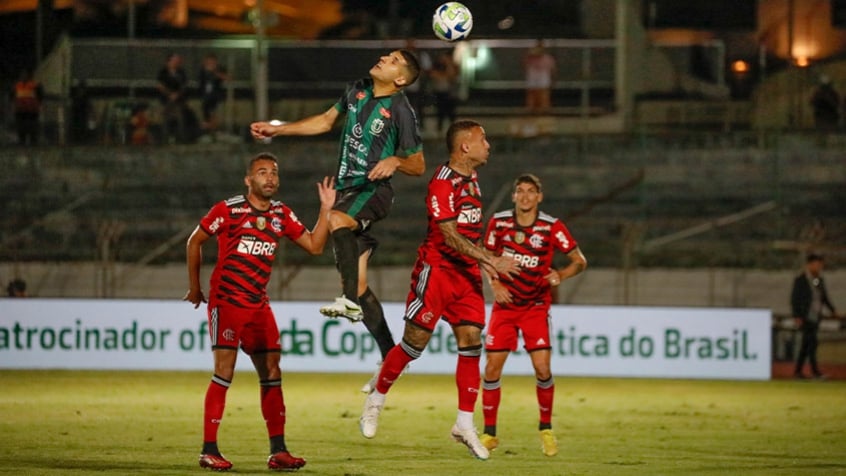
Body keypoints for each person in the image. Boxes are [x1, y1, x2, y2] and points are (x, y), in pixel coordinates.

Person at [250, 50, 425, 393]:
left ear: (400, 79)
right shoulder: (356, 89)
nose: (382, 59)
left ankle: (346, 301)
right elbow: (325, 122)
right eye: (385, 55)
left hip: (372, 190)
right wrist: (278, 129)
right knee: (359, 284)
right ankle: (390, 354)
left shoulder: (401, 108)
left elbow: (417, 164)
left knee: (336, 219)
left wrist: (395, 161)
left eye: (391, 61)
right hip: (347, 189)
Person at [357, 120, 520, 461]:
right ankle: (377, 397)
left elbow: (470, 233)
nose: (488, 145)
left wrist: (486, 266)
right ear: (464, 146)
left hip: (466, 276)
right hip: (437, 272)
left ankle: (463, 423)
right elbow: (448, 234)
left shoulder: (473, 179)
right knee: (414, 345)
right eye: (482, 139)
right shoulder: (442, 183)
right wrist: (490, 257)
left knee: (472, 342)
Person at [184, 152, 336, 471]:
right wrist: (196, 288)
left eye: (274, 173)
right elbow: (194, 241)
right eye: (262, 172)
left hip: (258, 305)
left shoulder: (281, 213)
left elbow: (315, 246)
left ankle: (278, 451)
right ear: (248, 180)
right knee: (224, 370)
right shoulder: (229, 210)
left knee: (272, 371)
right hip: (227, 301)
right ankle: (208, 449)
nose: (270, 178)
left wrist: (325, 209)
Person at [479, 173, 587, 457]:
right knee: (491, 368)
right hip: (504, 308)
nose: (525, 196)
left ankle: (546, 429)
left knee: (542, 369)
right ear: (514, 196)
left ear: (539, 197)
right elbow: (485, 257)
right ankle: (489, 434)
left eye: (531, 192)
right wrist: (495, 283)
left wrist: (560, 274)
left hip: (535, 307)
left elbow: (580, 261)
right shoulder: (499, 223)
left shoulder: (552, 227)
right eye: (520, 191)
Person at [791, 253, 838, 380]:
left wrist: (833, 310)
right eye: (817, 264)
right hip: (805, 317)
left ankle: (798, 372)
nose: (819, 267)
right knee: (812, 343)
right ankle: (815, 372)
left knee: (806, 345)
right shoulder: (801, 279)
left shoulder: (819, 280)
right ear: (810, 264)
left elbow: (824, 297)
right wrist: (797, 316)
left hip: (815, 316)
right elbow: (795, 299)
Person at [157, 52, 188, 143]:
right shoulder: (163, 72)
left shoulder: (181, 72)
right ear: (168, 61)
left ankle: (181, 138)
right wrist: (169, 94)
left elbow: (184, 86)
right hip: (165, 99)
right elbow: (160, 86)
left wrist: (177, 94)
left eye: (177, 61)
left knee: (180, 118)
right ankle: (165, 138)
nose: (176, 62)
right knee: (165, 118)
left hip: (178, 100)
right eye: (174, 60)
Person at [403, 39, 432, 129]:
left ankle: (420, 125)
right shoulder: (402, 57)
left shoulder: (421, 56)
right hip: (405, 88)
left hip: (419, 87)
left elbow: (427, 69)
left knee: (420, 108)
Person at [9, 68, 43, 145]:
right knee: (21, 127)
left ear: (29, 76)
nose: (24, 76)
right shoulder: (16, 85)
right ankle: (22, 141)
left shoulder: (35, 85)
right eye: (22, 74)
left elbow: (40, 96)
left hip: (32, 110)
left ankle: (33, 141)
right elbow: (11, 96)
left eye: (25, 74)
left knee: (32, 127)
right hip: (20, 110)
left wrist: (37, 104)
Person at [198, 53, 229, 137]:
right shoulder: (203, 70)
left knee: (215, 113)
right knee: (206, 112)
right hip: (206, 96)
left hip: (216, 95)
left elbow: (227, 78)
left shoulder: (219, 69)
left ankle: (214, 130)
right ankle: (208, 129)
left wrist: (215, 72)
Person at [429, 51, 460, 133]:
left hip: (449, 93)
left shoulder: (452, 66)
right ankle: (440, 128)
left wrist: (449, 64)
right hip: (440, 93)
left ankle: (453, 129)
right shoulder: (437, 66)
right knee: (440, 112)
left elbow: (452, 76)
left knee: (451, 112)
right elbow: (434, 75)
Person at [523, 40, 556, 114]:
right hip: (532, 80)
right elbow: (525, 65)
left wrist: (552, 80)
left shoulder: (548, 58)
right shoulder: (530, 58)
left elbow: (553, 70)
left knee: (544, 98)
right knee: (532, 98)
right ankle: (531, 114)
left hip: (543, 81)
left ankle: (543, 114)